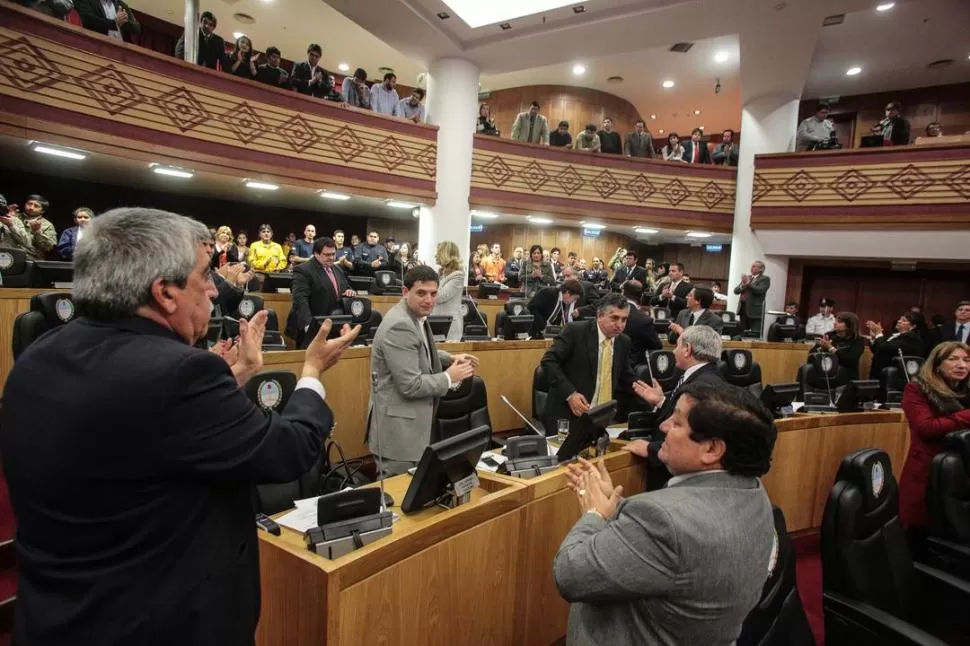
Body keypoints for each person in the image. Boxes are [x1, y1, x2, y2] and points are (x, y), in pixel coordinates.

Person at [0, 207, 360, 646]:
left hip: (58, 617)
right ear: (165, 292)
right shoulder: (178, 375)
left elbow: (138, 437)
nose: (214, 290)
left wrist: (235, 376)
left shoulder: (38, 355)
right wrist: (312, 371)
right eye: (206, 275)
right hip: (158, 624)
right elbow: (290, 450)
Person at [554, 381, 776, 646]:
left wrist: (594, 515)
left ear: (712, 449)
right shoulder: (753, 491)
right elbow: (675, 550)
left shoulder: (664, 522)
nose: (663, 426)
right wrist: (614, 510)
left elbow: (569, 573)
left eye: (677, 422)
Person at [367, 266, 479, 475]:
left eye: (433, 294)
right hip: (399, 436)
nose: (428, 299)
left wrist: (448, 357)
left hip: (409, 431)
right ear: (405, 292)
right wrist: (448, 377)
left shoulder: (413, 316)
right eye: (421, 293)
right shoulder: (399, 325)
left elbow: (418, 349)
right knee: (400, 501)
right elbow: (411, 385)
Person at [899, 342, 970, 530]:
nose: (962, 365)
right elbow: (927, 428)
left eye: (966, 360)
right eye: (953, 359)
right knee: (922, 535)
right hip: (929, 470)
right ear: (937, 364)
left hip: (965, 473)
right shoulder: (917, 389)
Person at [540, 295, 633, 435]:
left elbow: (626, 376)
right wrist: (570, 394)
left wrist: (650, 397)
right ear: (599, 315)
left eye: (624, 319)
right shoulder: (575, 331)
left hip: (601, 417)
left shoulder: (623, 341)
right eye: (614, 318)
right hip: (568, 414)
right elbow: (549, 361)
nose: (620, 325)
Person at [286, 236, 357, 348]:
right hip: (311, 327)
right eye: (327, 255)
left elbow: (346, 288)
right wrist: (309, 326)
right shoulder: (303, 270)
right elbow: (300, 300)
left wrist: (350, 291)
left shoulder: (338, 269)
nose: (332, 258)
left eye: (333, 254)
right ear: (316, 254)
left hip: (333, 325)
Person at [866, 312, 925, 380]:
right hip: (879, 372)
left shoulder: (910, 338)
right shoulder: (895, 335)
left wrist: (879, 334)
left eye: (903, 320)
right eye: (900, 319)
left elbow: (884, 347)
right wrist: (874, 337)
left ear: (913, 326)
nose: (899, 321)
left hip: (891, 376)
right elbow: (877, 349)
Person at [809, 311, 865, 380]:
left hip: (847, 377)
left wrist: (830, 348)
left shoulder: (858, 340)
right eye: (835, 321)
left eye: (839, 322)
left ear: (850, 325)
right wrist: (821, 348)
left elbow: (850, 359)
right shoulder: (829, 335)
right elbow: (811, 356)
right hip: (827, 376)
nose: (835, 323)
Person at [0, 193, 57, 260]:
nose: (31, 207)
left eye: (36, 206)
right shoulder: (14, 217)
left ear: (42, 211)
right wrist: (6, 213)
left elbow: (48, 247)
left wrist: (37, 232)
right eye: (29, 204)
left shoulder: (47, 225)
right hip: (9, 255)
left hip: (31, 257)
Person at [619, 280, 662, 364]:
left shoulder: (610, 312)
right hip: (634, 366)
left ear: (622, 293)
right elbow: (657, 345)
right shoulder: (644, 320)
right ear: (641, 296)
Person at [431, 241, 464, 342]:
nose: (435, 255)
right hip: (436, 321)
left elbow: (441, 296)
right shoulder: (441, 274)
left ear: (446, 254)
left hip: (450, 325)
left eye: (438, 252)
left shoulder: (458, 275)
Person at [734, 260, 771, 336]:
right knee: (742, 333)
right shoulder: (748, 277)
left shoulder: (765, 279)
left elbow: (759, 290)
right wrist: (743, 285)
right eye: (751, 266)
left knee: (754, 334)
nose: (751, 268)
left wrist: (748, 284)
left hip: (755, 311)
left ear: (761, 269)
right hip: (743, 308)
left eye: (754, 266)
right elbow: (736, 291)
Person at [74, 0, 140, 41]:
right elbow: (89, 20)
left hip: (121, 50)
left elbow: (137, 28)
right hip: (96, 45)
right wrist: (114, 23)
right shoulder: (86, 1)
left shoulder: (121, 4)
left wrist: (124, 21)